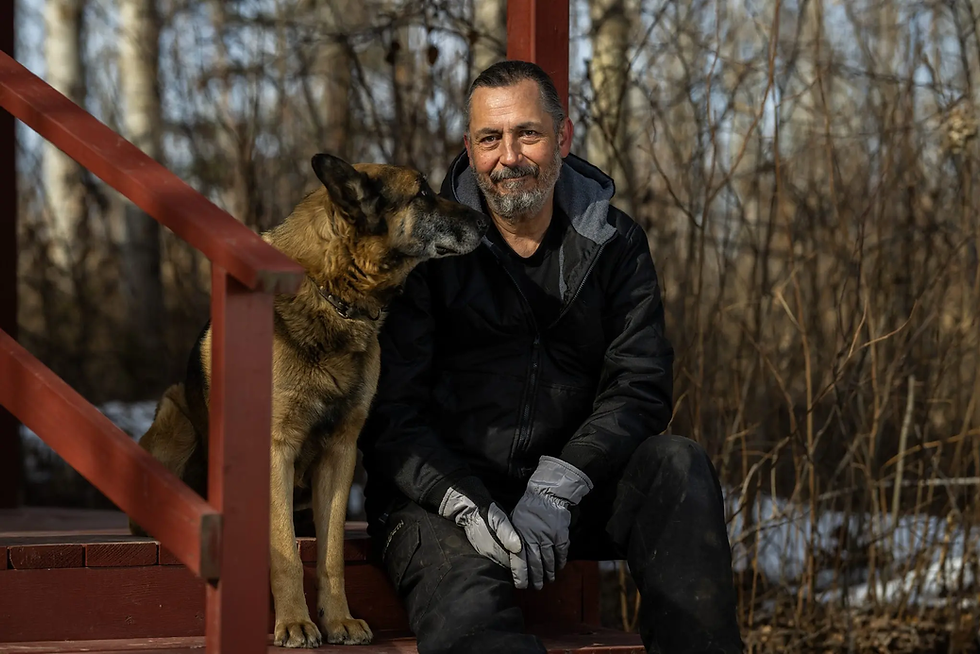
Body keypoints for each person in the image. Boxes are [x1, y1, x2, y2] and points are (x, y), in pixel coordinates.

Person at [359, 60, 744, 654]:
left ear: (562, 138)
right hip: (441, 501)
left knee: (677, 465)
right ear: (470, 147)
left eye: (527, 133)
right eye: (490, 138)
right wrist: (461, 501)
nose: (509, 156)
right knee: (473, 621)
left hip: (567, 490)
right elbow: (390, 412)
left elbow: (639, 386)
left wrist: (562, 484)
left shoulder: (615, 243)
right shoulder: (426, 251)